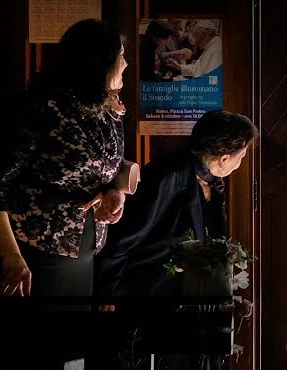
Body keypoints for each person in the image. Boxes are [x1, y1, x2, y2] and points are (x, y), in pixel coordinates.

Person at [0, 19, 133, 305]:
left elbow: (106, 167)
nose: (126, 64)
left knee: (73, 341)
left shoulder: (108, 107)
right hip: (35, 250)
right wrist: (11, 256)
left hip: (86, 246)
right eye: (121, 56)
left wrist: (114, 192)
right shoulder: (40, 108)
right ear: (100, 62)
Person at [96, 110, 258, 296]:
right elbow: (123, 236)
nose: (240, 164)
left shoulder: (211, 185)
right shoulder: (168, 176)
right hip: (135, 293)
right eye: (242, 157)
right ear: (224, 159)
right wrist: (107, 292)